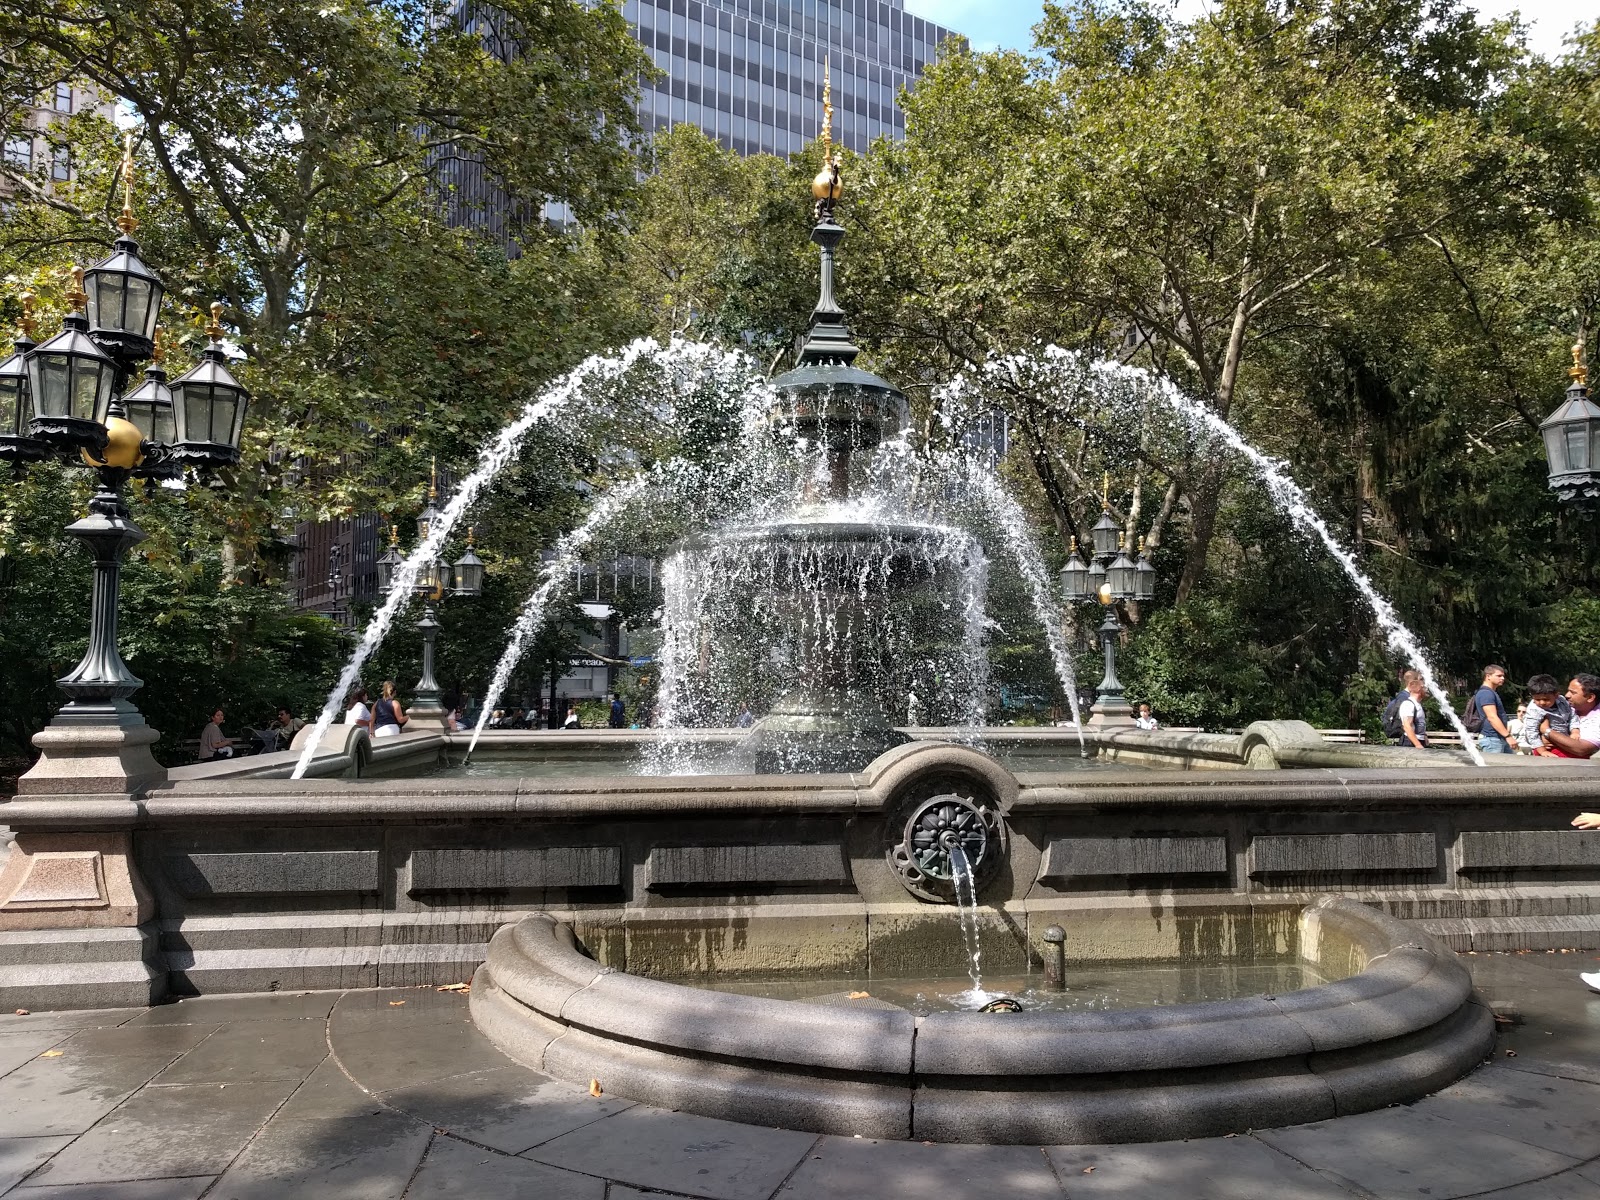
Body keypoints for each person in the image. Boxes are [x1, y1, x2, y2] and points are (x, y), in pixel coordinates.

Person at [1539, 674, 1600, 759]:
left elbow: (1581, 749)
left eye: (1573, 692)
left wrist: (1547, 731)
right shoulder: (1564, 706)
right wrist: (1540, 740)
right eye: (1568, 691)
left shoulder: (1597, 719)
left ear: (1590, 697)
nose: (1567, 695)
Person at [1519, 674, 1572, 756]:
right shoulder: (1534, 709)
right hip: (1547, 747)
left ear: (1556, 695)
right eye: (1537, 699)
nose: (1542, 703)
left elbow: (1572, 715)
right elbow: (1531, 731)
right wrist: (1542, 750)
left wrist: (1575, 730)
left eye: (1546, 699)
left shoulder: (1562, 701)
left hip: (1566, 740)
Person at [1468, 664, 1514, 755]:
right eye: (1499, 676)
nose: (1502, 678)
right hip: (1492, 739)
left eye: (1503, 676)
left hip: (1498, 738)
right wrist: (1508, 736)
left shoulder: (1491, 692)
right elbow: (1492, 717)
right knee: (1495, 768)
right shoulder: (1486, 693)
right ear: (1488, 676)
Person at [1384, 670, 1429, 749]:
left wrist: (1423, 736)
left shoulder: (1415, 702)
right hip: (1410, 743)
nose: (1423, 685)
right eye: (1421, 680)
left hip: (1416, 740)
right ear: (1414, 684)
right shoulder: (1406, 701)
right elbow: (1407, 726)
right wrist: (1418, 745)